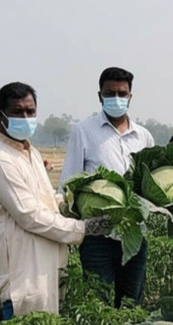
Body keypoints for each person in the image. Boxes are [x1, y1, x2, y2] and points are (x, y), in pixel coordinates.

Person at [0, 82, 110, 325]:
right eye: (17, 112)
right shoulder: (0, 160)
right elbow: (30, 216)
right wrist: (83, 229)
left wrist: (75, 204)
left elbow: (46, 202)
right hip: (21, 278)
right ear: (0, 116)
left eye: (30, 111)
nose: (26, 117)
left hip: (44, 272)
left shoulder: (31, 154)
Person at [59, 67, 154, 307]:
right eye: (110, 93)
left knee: (132, 303)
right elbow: (68, 184)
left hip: (134, 236)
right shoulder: (84, 131)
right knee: (97, 305)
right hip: (96, 237)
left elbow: (149, 186)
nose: (117, 99)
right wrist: (78, 225)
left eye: (122, 94)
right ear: (100, 96)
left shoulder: (144, 137)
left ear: (130, 97)